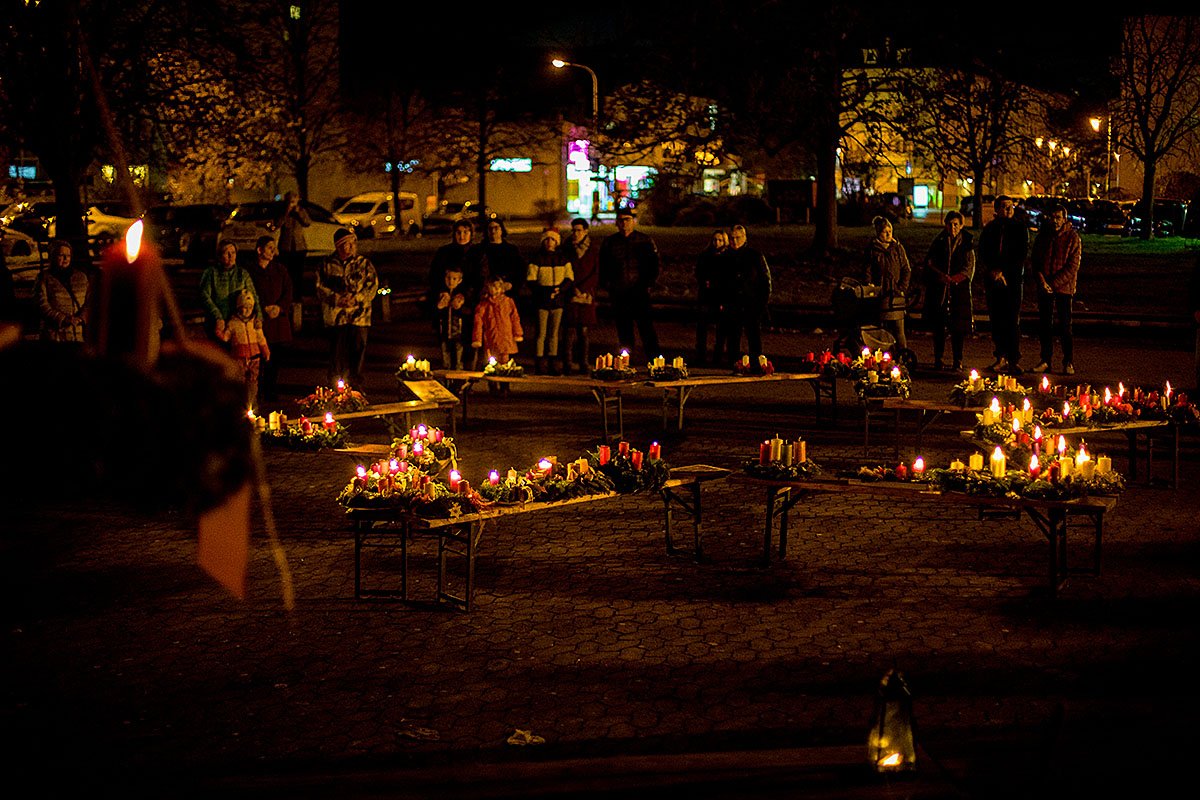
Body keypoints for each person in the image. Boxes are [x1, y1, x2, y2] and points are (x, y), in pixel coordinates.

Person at [315, 228, 378, 387]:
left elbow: (372, 285)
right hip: (336, 318)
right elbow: (319, 286)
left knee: (358, 352)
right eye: (347, 244)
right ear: (339, 246)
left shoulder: (364, 264)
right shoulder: (327, 264)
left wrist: (357, 298)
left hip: (359, 317)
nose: (351, 247)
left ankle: (356, 386)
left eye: (353, 243)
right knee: (337, 354)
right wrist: (336, 299)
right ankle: (336, 386)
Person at [599, 207, 660, 358]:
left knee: (646, 326)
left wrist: (648, 283)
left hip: (640, 291)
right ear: (617, 223)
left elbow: (654, 265)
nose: (624, 223)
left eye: (627, 220)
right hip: (619, 291)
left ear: (633, 221)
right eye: (621, 220)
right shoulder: (610, 243)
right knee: (623, 327)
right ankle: (627, 359)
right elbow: (603, 265)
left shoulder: (645, 241)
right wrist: (609, 284)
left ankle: (653, 358)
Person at [978, 195, 1028, 374]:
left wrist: (1005, 271)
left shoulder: (1019, 228)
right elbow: (983, 252)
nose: (1008, 210)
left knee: (1012, 320)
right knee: (997, 319)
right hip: (994, 280)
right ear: (997, 209)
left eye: (1011, 206)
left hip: (1012, 280)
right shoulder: (990, 229)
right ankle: (1000, 356)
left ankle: (1013, 358)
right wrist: (993, 271)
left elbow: (1021, 254)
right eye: (1004, 207)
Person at [1030, 204, 1081, 375]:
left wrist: (1052, 284)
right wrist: (1041, 280)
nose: (1055, 221)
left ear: (1064, 219)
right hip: (1045, 287)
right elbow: (1035, 260)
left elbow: (1072, 266)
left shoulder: (1073, 238)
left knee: (1065, 326)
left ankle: (1068, 361)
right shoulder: (1043, 237)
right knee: (1045, 325)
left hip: (1064, 289)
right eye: (1052, 217)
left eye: (1058, 217)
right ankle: (1046, 360)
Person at [921, 210, 975, 371]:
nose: (953, 228)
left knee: (958, 328)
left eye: (956, 224)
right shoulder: (939, 242)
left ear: (961, 225)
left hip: (959, 291)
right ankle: (938, 358)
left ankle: (958, 359)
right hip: (940, 290)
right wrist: (939, 277)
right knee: (939, 327)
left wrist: (956, 278)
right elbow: (929, 263)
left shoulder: (967, 243)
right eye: (950, 224)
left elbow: (969, 267)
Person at [248, 235, 293, 402]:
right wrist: (260, 309)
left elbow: (288, 290)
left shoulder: (280, 270)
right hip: (259, 320)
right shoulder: (250, 271)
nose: (273, 251)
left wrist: (280, 307)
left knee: (274, 358)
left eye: (274, 248)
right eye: (269, 247)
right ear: (259, 250)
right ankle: (256, 389)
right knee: (258, 357)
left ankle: (270, 389)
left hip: (277, 320)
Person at [720, 224, 772, 361]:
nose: (734, 241)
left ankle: (756, 362)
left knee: (754, 336)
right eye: (732, 238)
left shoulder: (755, 256)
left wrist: (761, 303)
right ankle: (734, 362)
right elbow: (720, 281)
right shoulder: (725, 257)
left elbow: (765, 282)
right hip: (733, 304)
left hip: (751, 303)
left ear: (744, 237)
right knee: (733, 337)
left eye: (737, 238)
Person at [526, 228, 574, 375]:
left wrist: (560, 289)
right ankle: (540, 362)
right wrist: (544, 291)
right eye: (547, 239)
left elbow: (569, 277)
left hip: (558, 301)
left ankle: (553, 361)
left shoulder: (563, 259)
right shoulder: (537, 259)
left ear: (556, 242)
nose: (549, 242)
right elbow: (531, 279)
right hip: (542, 301)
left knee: (554, 333)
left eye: (552, 239)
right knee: (541, 333)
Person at [427, 219, 475, 363]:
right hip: (446, 305)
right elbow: (434, 276)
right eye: (458, 232)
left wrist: (464, 295)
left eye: (466, 232)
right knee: (446, 346)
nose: (462, 236)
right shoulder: (443, 252)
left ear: (471, 233)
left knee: (466, 347)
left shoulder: (476, 253)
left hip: (468, 306)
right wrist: (442, 292)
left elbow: (479, 278)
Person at [863, 216, 911, 352]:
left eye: (890, 231)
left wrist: (902, 288)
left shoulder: (898, 248)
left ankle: (902, 354)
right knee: (879, 328)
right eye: (885, 232)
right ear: (879, 233)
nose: (889, 234)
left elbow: (906, 269)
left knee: (899, 328)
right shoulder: (873, 249)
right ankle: (881, 354)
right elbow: (867, 269)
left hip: (896, 294)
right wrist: (870, 286)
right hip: (880, 294)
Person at [218, 288, 271, 408]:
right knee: (240, 381)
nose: (247, 310)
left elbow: (261, 338)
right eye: (244, 307)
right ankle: (240, 405)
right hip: (239, 357)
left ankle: (252, 403)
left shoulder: (255, 323)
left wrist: (265, 351)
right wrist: (219, 332)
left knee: (253, 381)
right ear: (238, 307)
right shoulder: (233, 323)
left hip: (254, 357)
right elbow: (226, 337)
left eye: (250, 307)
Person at [35, 239, 91, 344]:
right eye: (61, 255)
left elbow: (90, 300)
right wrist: (62, 319)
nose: (65, 258)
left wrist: (82, 317)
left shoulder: (81, 277)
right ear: (53, 256)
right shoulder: (44, 278)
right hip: (54, 336)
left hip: (77, 335)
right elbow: (42, 304)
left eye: (68, 255)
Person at [199, 241, 258, 341]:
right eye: (227, 253)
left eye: (233, 252)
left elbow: (253, 296)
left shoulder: (242, 273)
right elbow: (204, 296)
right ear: (219, 256)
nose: (231, 256)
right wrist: (218, 317)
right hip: (216, 323)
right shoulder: (211, 273)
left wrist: (258, 317)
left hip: (238, 323)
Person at [562, 218, 599, 375]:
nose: (575, 233)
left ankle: (584, 362)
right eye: (573, 230)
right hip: (570, 293)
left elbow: (596, 272)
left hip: (586, 295)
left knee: (583, 332)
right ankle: (567, 363)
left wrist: (584, 289)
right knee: (568, 332)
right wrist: (572, 288)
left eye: (578, 230)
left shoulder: (593, 250)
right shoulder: (566, 249)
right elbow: (563, 270)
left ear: (585, 231)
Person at [472, 276, 524, 373]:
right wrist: (477, 339)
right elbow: (478, 321)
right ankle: (494, 379)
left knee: (505, 361)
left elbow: (514, 318)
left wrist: (517, 333)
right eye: (493, 286)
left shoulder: (508, 301)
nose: (496, 289)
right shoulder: (484, 304)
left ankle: (504, 379)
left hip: (506, 337)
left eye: (498, 286)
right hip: (491, 337)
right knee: (492, 362)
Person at [694, 228, 729, 365]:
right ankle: (700, 355)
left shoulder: (727, 256)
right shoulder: (705, 255)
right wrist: (705, 281)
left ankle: (717, 356)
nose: (717, 243)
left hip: (721, 296)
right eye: (715, 240)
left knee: (721, 330)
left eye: (720, 240)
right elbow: (699, 272)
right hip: (706, 295)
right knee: (702, 328)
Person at [276, 191, 311, 296]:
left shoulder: (301, 210)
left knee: (298, 273)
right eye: (289, 201)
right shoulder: (282, 211)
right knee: (286, 273)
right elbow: (277, 223)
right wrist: (286, 212)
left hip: (299, 247)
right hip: (285, 247)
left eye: (293, 201)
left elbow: (307, 223)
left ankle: (297, 295)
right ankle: (286, 294)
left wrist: (298, 212)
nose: (291, 203)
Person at [435, 266, 469, 370]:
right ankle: (446, 375)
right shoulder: (440, 294)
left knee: (458, 357)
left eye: (454, 279)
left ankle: (458, 376)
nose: (451, 281)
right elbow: (435, 312)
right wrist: (439, 306)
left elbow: (468, 312)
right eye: (448, 278)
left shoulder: (463, 295)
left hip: (459, 333)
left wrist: (459, 306)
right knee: (445, 356)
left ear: (459, 280)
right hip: (444, 332)